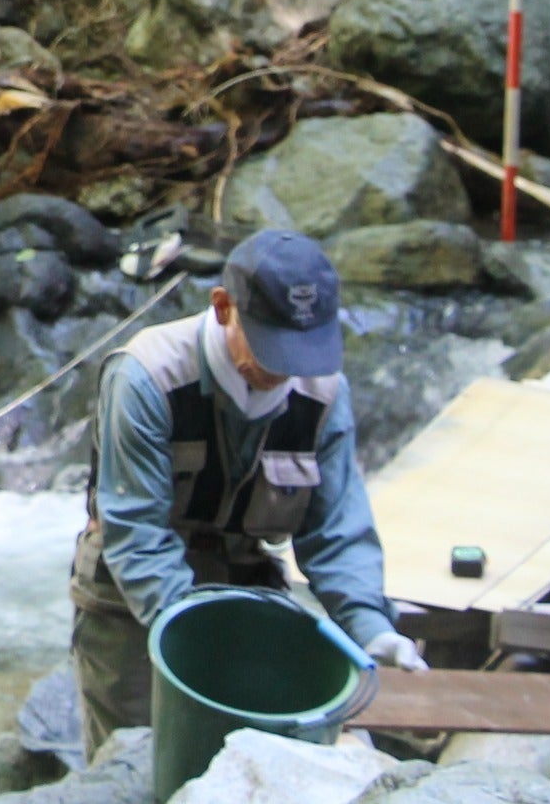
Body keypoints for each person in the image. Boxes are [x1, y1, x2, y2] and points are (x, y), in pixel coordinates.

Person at [68, 226, 426, 753]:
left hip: (247, 584)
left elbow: (336, 530)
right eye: (271, 345)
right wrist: (192, 640)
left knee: (260, 761)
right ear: (222, 307)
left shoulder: (323, 392)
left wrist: (370, 626)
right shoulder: (147, 376)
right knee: (136, 758)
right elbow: (136, 530)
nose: (284, 367)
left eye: (302, 348)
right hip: (130, 598)